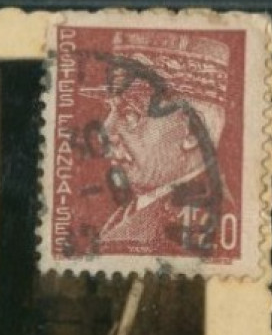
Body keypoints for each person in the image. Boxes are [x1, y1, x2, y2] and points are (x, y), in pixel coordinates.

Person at [88, 35, 234, 257]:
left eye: (129, 114)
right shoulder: (135, 210)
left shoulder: (200, 226)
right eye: (111, 109)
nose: (106, 132)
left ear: (193, 131)